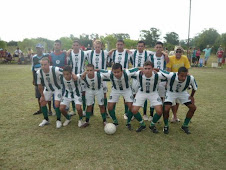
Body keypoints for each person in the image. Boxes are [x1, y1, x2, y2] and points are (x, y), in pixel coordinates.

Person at [100, 63, 142, 130]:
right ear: (112, 71)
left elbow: (137, 68)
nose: (116, 74)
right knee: (110, 107)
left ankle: (128, 123)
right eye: (115, 72)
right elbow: (99, 70)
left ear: (122, 71)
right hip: (115, 90)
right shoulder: (109, 73)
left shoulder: (127, 72)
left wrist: (152, 70)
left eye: (118, 72)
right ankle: (115, 121)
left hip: (126, 90)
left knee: (131, 107)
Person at [128, 61, 164, 133]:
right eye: (145, 68)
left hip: (153, 93)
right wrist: (138, 68)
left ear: (152, 69)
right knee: (134, 110)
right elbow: (128, 71)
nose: (147, 70)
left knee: (160, 111)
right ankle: (142, 124)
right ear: (143, 69)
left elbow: (169, 74)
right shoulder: (139, 74)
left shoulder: (158, 75)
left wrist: (158, 70)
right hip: (142, 92)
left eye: (149, 68)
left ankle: (152, 125)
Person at [161, 67, 198, 134]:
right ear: (178, 74)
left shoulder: (190, 78)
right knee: (166, 109)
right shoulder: (171, 75)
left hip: (182, 93)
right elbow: (160, 71)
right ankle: (166, 125)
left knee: (193, 108)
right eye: (182, 76)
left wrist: (191, 96)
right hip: (171, 92)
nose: (184, 78)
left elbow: (195, 88)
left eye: (185, 76)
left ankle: (185, 125)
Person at [129, 40, 154, 120]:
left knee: (144, 94)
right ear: (137, 46)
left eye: (141, 46)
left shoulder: (147, 54)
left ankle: (144, 114)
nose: (140, 47)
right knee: (134, 94)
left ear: (144, 47)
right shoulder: (133, 53)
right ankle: (133, 113)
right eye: (138, 46)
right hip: (135, 77)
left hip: (143, 76)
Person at [108, 40, 133, 119]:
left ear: (123, 45)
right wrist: (111, 50)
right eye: (118, 44)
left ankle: (126, 113)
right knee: (115, 95)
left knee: (126, 97)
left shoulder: (128, 53)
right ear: (116, 45)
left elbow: (134, 55)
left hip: (124, 76)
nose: (119, 46)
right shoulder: (113, 53)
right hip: (116, 76)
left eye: (121, 44)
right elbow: (108, 56)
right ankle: (113, 113)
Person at [36, 57, 63, 128]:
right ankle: (46, 119)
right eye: (41, 65)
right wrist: (42, 95)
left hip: (57, 88)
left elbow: (66, 72)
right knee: (42, 101)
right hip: (48, 89)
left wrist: (73, 76)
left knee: (56, 104)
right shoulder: (39, 72)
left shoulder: (55, 69)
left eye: (45, 64)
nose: (43, 66)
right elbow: (39, 85)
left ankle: (58, 120)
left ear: (49, 64)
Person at [166, 46, 190, 122]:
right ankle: (170, 116)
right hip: (173, 80)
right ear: (174, 52)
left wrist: (187, 82)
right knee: (171, 100)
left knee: (177, 100)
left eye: (180, 52)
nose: (178, 53)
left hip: (181, 81)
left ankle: (175, 116)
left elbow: (187, 70)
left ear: (182, 52)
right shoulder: (171, 58)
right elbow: (169, 71)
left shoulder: (185, 58)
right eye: (177, 51)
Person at [85, 40, 109, 115]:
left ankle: (105, 111)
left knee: (104, 94)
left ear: (101, 46)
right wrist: (69, 51)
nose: (97, 48)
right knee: (92, 92)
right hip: (92, 76)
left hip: (102, 77)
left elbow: (112, 52)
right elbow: (80, 52)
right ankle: (91, 111)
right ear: (93, 47)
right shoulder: (89, 53)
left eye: (99, 47)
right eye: (96, 47)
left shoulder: (105, 53)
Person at [148, 41, 169, 121]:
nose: (158, 49)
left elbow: (168, 64)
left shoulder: (165, 56)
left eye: (160, 47)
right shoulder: (151, 56)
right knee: (152, 96)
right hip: (153, 78)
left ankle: (160, 115)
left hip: (163, 79)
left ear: (162, 48)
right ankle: (151, 115)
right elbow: (149, 66)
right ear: (154, 48)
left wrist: (166, 54)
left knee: (161, 97)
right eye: (157, 47)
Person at [68, 40, 88, 116]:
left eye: (77, 45)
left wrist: (85, 72)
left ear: (80, 46)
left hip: (82, 76)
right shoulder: (69, 54)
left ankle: (84, 110)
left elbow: (87, 63)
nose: (75, 46)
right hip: (72, 75)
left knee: (83, 92)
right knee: (73, 92)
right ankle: (73, 110)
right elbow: (69, 65)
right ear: (72, 46)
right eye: (74, 45)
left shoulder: (84, 54)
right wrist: (71, 74)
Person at [32, 44, 52, 115]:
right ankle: (40, 109)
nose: (38, 50)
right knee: (39, 94)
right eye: (37, 48)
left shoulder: (46, 56)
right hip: (37, 77)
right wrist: (33, 78)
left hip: (45, 78)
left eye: (39, 48)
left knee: (48, 93)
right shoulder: (34, 57)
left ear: (42, 49)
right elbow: (33, 68)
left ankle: (49, 110)